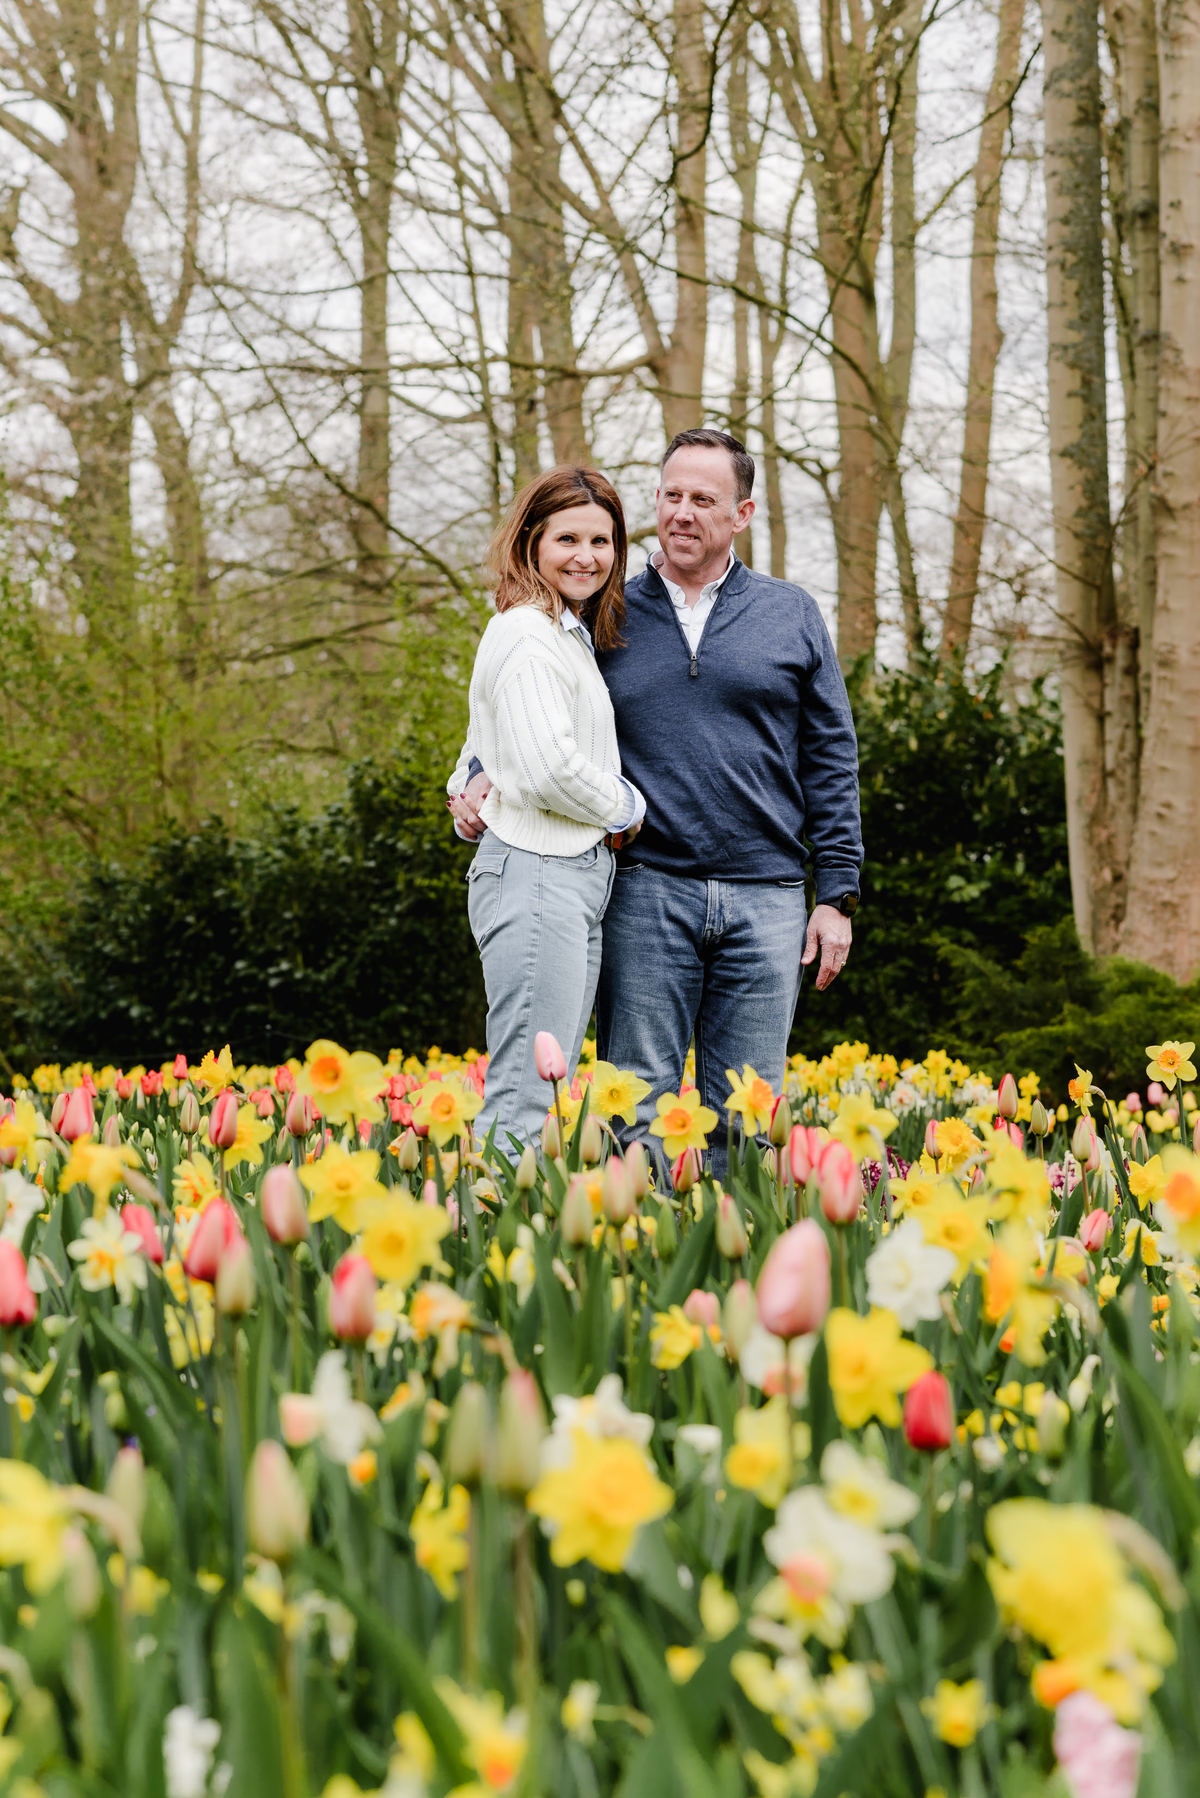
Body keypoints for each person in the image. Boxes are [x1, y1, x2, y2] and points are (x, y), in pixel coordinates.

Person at [453, 429, 862, 1170]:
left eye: (702, 499)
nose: (681, 512)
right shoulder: (603, 611)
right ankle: (642, 1269)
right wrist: (475, 769)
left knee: (748, 1117)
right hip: (646, 892)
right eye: (670, 495)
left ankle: (732, 1272)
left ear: (741, 513)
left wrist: (836, 890)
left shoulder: (790, 613)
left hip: (767, 896)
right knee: (632, 1119)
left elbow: (830, 754)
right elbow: (530, 704)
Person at [447, 467, 645, 1147]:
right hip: (538, 873)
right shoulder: (529, 633)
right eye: (567, 538)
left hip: (569, 873)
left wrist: (465, 781)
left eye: (602, 539)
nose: (586, 555)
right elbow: (545, 767)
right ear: (531, 540)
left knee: (548, 1089)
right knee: (527, 1094)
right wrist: (624, 805)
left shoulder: (563, 631)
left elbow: (491, 739)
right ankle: (495, 1248)